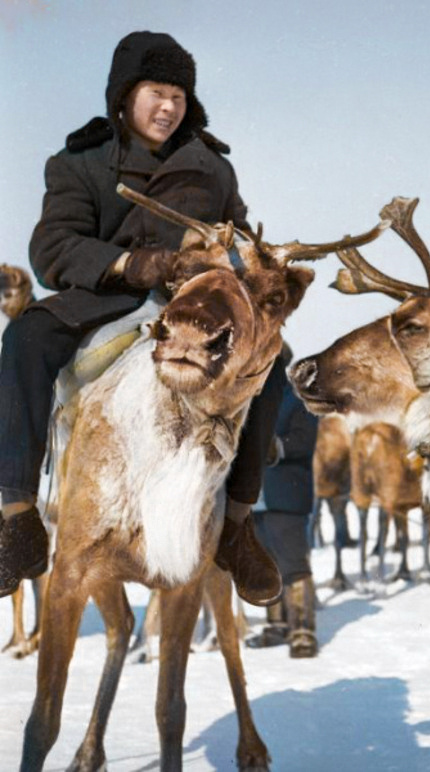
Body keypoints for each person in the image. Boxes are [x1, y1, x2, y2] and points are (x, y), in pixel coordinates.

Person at [0, 31, 283, 606]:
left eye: (178, 95)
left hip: (195, 308)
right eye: (156, 92)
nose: (168, 107)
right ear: (125, 95)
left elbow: (242, 240)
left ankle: (236, 524)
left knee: (274, 362)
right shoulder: (78, 162)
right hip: (102, 300)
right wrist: (134, 262)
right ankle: (18, 518)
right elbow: (53, 249)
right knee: (24, 336)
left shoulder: (213, 168)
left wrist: (251, 261)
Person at [247, 347, 320, 658]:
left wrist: (275, 447)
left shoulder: (298, 399)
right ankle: (277, 625)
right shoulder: (247, 401)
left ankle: (303, 629)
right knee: (267, 567)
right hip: (254, 498)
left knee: (293, 565)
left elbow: (304, 440)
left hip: (285, 496)